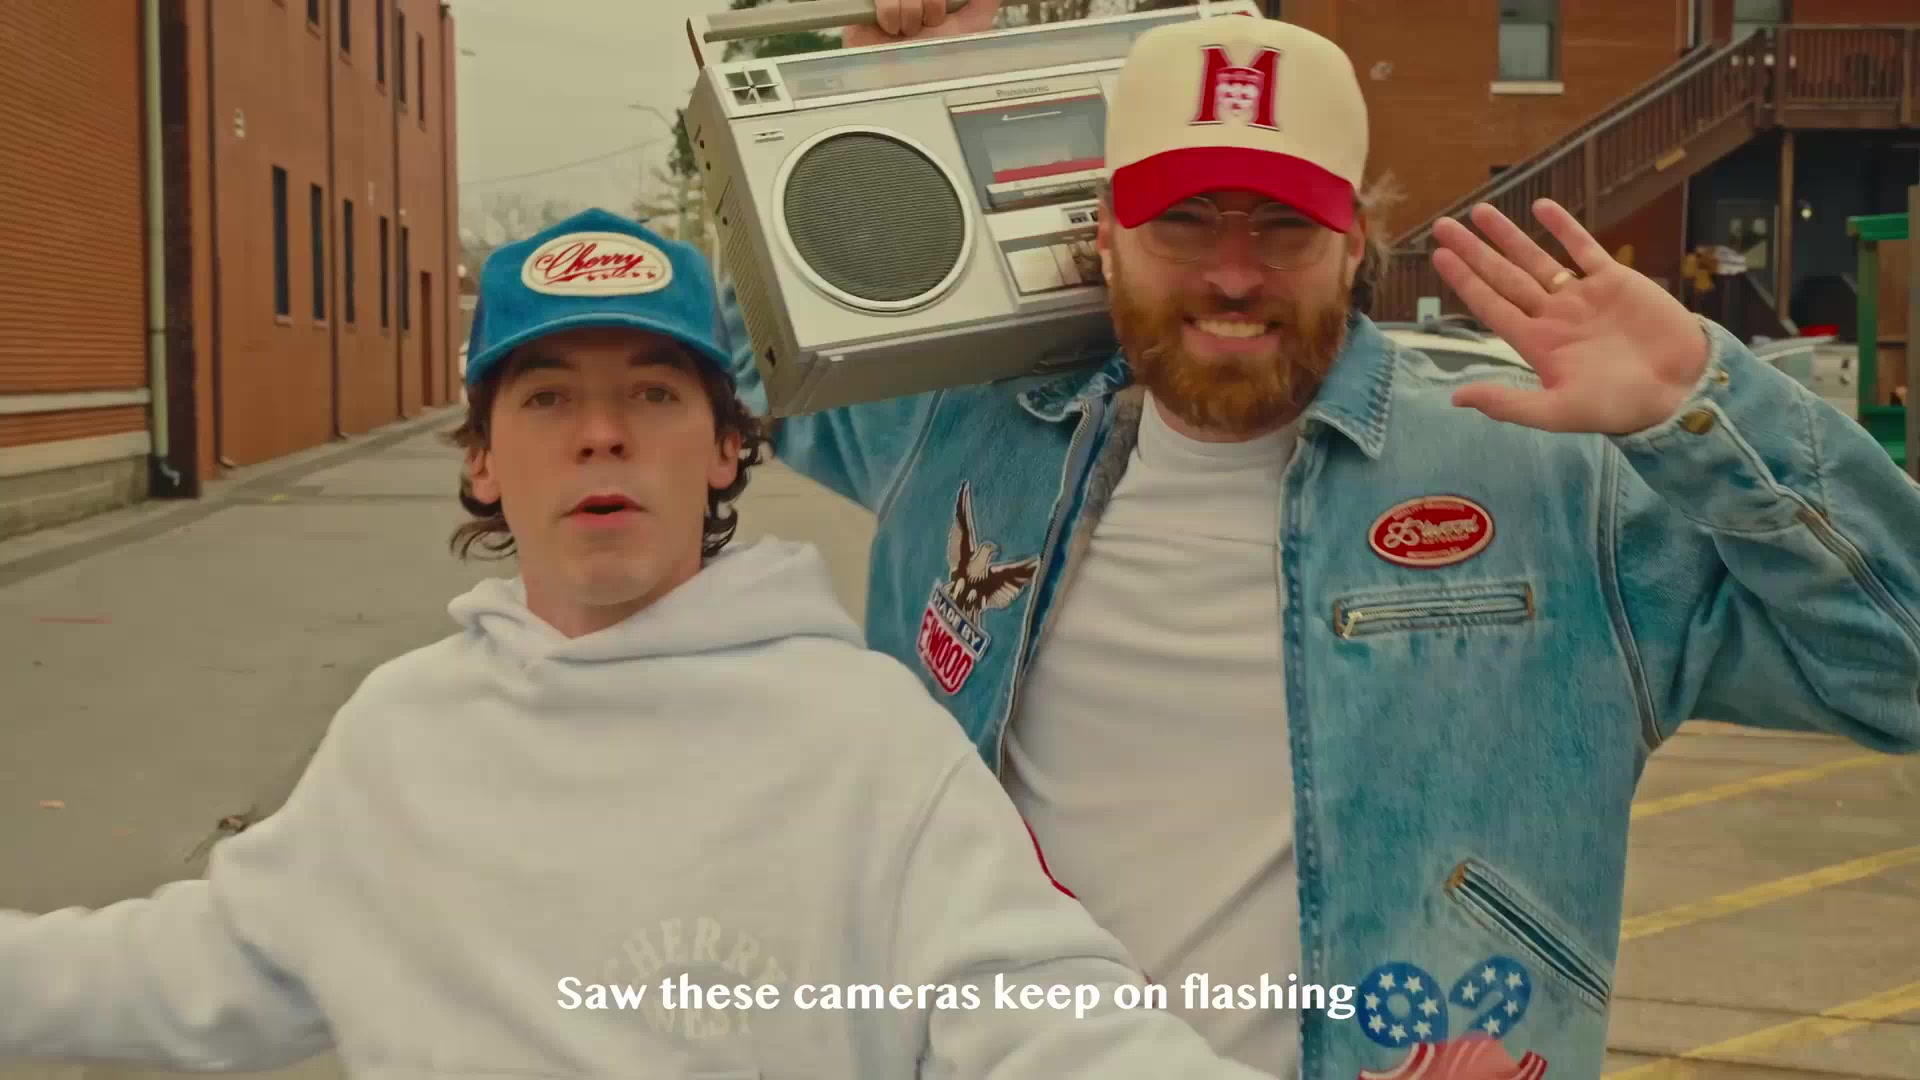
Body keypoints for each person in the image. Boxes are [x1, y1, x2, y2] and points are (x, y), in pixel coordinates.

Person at [723, 6, 1920, 1079]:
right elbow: (714, 364)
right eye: (1185, 221)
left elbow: (1898, 667)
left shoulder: (1548, 489)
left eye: (1285, 226)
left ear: (1355, 243)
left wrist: (1708, 407)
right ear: (1108, 234)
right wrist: (880, 114)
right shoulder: (961, 438)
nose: (1233, 273)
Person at [0, 208, 1288, 1079]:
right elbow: (196, 971)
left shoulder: (865, 742)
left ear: (729, 447)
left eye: (654, 394)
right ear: (484, 460)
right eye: (548, 396)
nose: (601, 433)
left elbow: (1050, 1017)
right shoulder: (401, 739)